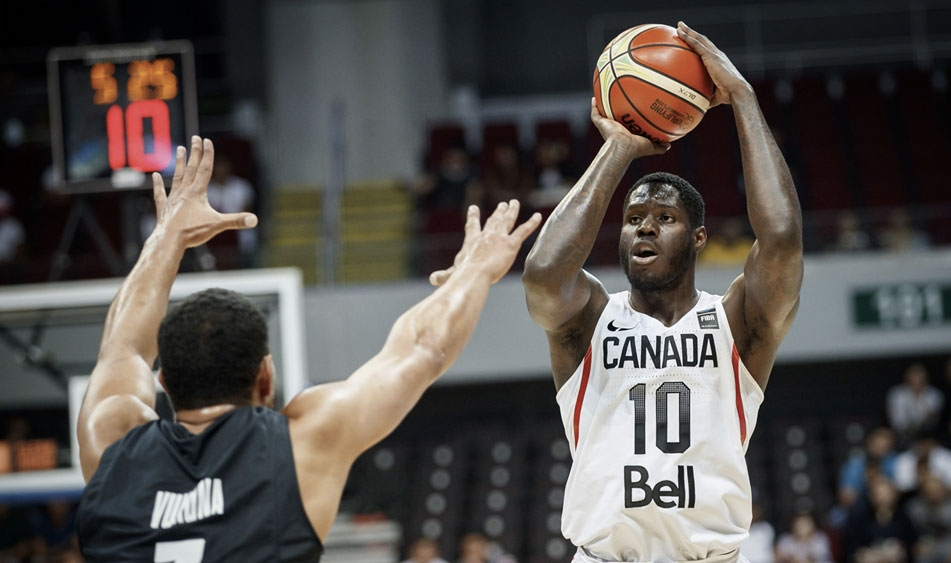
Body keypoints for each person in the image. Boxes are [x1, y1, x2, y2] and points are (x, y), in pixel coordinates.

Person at [74, 136, 541, 561]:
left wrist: (167, 236)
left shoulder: (110, 443)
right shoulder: (302, 442)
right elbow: (422, 349)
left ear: (164, 382)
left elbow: (122, 348)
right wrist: (473, 273)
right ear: (266, 377)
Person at [520, 21, 803, 562]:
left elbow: (783, 241)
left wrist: (741, 96)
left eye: (664, 217)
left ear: (699, 238)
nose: (644, 228)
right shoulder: (590, 321)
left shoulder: (738, 324)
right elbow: (543, 274)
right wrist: (620, 150)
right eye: (632, 218)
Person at [886, 362, 943, 447]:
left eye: (920, 378)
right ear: (907, 378)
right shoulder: (897, 394)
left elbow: (930, 419)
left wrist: (919, 397)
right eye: (913, 377)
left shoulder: (934, 394)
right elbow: (898, 422)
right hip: (902, 436)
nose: (917, 381)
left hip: (929, 436)